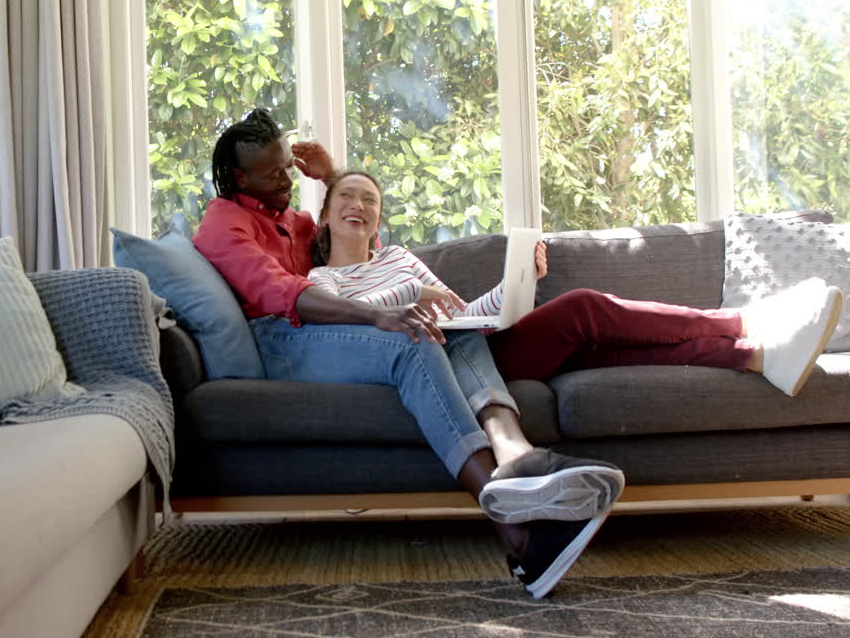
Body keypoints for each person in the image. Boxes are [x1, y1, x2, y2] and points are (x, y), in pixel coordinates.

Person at [195, 109, 628, 599]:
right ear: (238, 177)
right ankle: (519, 534)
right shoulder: (222, 223)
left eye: (287, 166)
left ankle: (517, 456)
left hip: (318, 328)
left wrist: (334, 174)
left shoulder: (291, 220)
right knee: (411, 340)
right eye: (272, 172)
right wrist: (383, 315)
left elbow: (353, 231)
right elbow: (283, 293)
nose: (286, 178)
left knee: (452, 331)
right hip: (281, 339)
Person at [308, 169, 845, 399]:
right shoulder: (319, 280)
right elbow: (354, 324)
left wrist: (517, 282)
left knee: (597, 353)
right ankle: (739, 320)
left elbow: (461, 310)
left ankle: (751, 354)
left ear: (379, 219)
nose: (359, 205)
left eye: (370, 199)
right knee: (583, 308)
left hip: (471, 345)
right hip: (446, 370)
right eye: (347, 198)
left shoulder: (401, 257)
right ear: (327, 215)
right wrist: (412, 295)